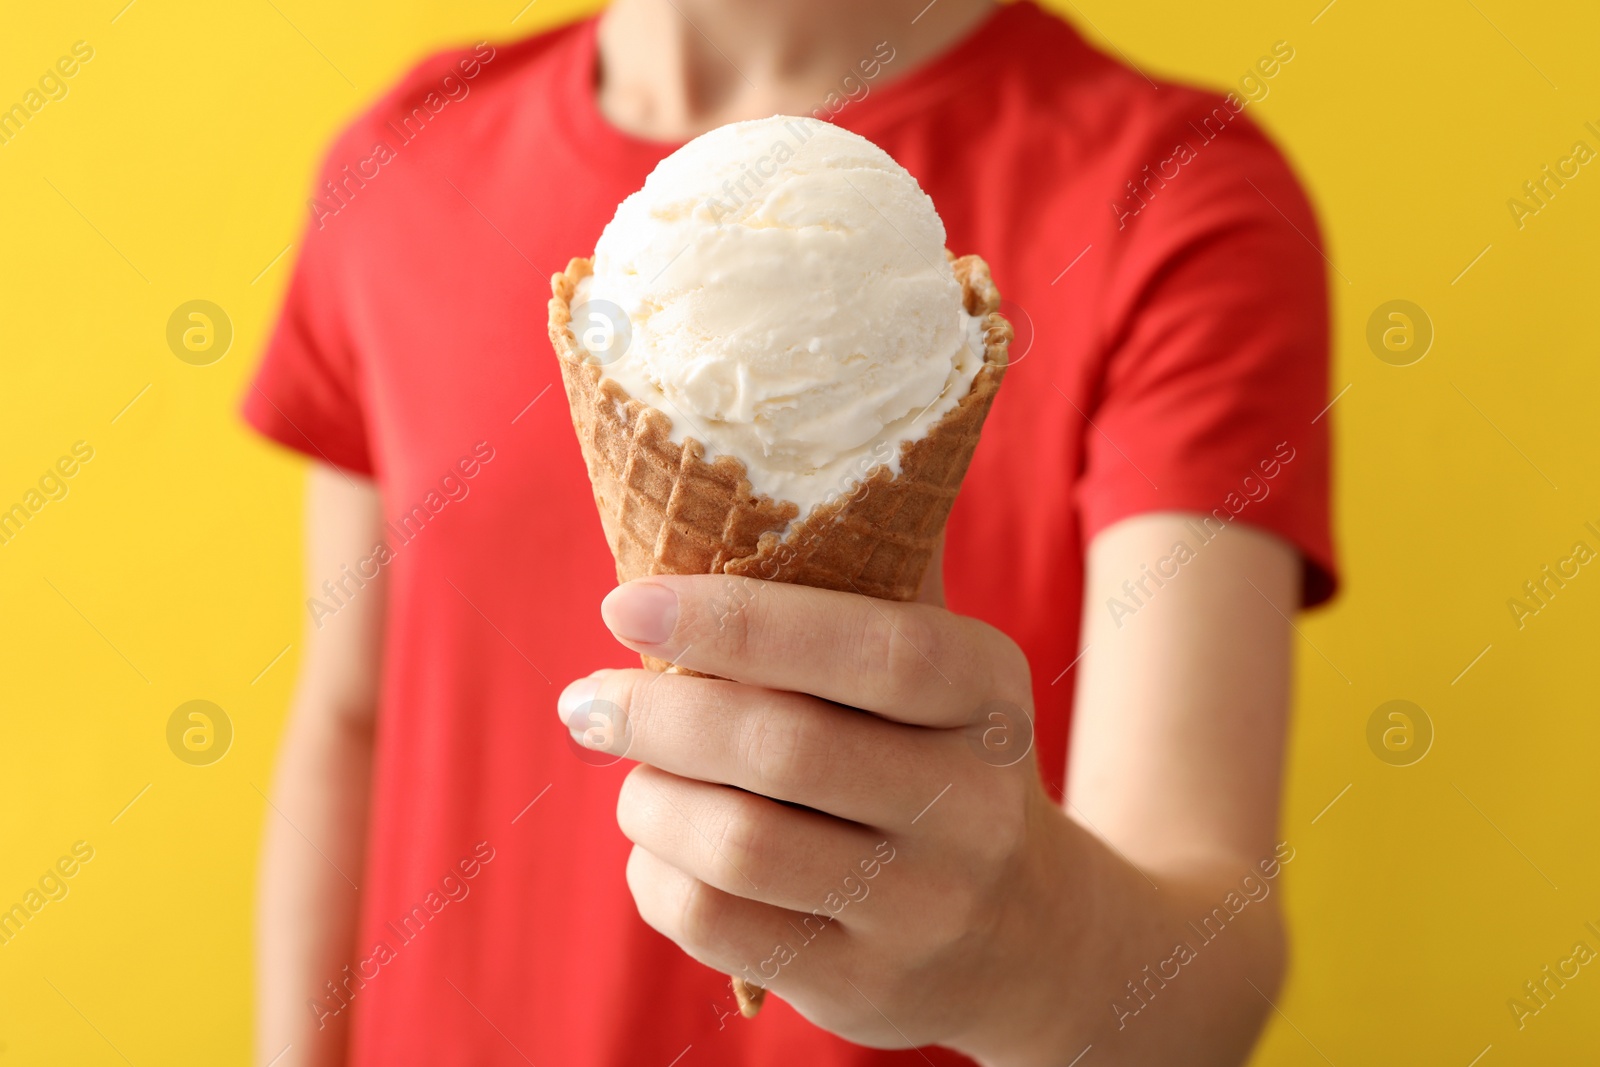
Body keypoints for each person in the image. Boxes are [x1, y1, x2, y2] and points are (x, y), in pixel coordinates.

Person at [245, 0, 1335, 1063]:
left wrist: (1025, 943)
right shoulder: (402, 167)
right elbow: (350, 722)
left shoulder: (1171, 194)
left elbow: (1205, 982)